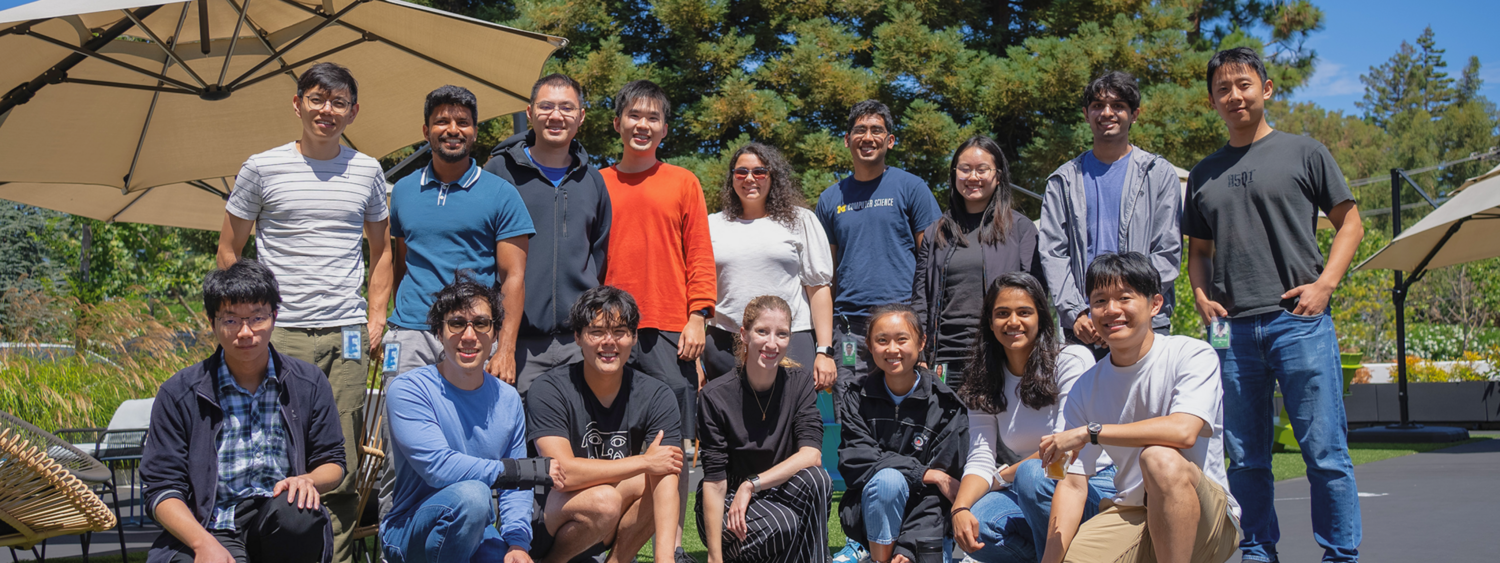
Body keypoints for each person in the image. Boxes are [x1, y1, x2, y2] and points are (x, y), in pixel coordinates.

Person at [1184, 47, 1364, 563]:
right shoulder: (1204, 173)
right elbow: (1199, 251)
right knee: (1244, 458)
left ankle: (1341, 556)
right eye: (1223, 89)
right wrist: (1200, 295)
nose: (1234, 95)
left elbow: (1350, 221)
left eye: (1243, 85)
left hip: (1299, 323)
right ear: (1213, 101)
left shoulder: (1305, 152)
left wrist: (1325, 285)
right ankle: (1258, 552)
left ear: (1266, 89)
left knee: (1325, 453)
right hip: (1232, 333)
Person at [215, 62, 391, 561]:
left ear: (352, 111)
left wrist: (375, 318)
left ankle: (329, 555)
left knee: (344, 459)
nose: (327, 110)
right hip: (280, 332)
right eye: (317, 99)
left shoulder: (367, 170)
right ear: (298, 104)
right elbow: (230, 251)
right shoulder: (261, 167)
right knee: (275, 448)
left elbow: (381, 252)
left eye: (338, 102)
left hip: (347, 330)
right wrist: (245, 321)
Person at [1037, 252, 1241, 563]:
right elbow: (1073, 484)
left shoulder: (1191, 354)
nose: (1112, 310)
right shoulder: (1087, 385)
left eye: (1124, 298)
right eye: (1100, 301)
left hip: (1206, 517)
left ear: (1155, 304)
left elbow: (1184, 432)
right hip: (1132, 511)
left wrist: (1092, 433)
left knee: (1159, 457)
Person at [142, 260, 346, 563]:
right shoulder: (179, 393)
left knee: (299, 512)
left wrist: (308, 480)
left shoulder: (308, 383)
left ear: (274, 318)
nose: (246, 332)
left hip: (278, 519)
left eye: (257, 318)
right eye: (231, 320)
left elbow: (333, 461)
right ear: (212, 322)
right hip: (208, 523)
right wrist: (201, 544)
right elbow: (161, 486)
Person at [382, 276, 560, 563]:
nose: (469, 335)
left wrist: (517, 543)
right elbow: (439, 467)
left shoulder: (508, 399)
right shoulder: (409, 389)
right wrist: (515, 470)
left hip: (476, 530)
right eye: (456, 323)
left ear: (495, 333)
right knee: (475, 497)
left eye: (480, 323)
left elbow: (516, 486)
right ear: (438, 333)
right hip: (408, 531)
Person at [947, 272, 1114, 563]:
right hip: (1031, 488)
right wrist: (959, 509)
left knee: (1032, 474)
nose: (1013, 322)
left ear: (1041, 317)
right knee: (981, 522)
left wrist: (1001, 477)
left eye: (1024, 312)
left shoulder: (1071, 361)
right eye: (1002, 314)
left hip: (1091, 481)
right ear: (989, 322)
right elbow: (981, 456)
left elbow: (1062, 452)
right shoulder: (982, 378)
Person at [526, 286, 688, 563]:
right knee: (606, 499)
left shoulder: (657, 394)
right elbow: (562, 473)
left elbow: (666, 472)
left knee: (663, 476)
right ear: (577, 336)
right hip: (552, 516)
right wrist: (644, 463)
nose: (609, 342)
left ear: (634, 337)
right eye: (596, 332)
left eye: (620, 332)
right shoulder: (549, 388)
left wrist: (665, 558)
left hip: (609, 521)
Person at [385, 85, 535, 380]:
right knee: (402, 422)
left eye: (463, 123)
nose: (452, 130)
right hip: (410, 334)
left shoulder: (502, 194)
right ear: (426, 130)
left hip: (472, 334)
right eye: (442, 122)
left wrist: (505, 349)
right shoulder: (402, 190)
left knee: (469, 425)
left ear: (475, 132)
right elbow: (401, 263)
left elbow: (513, 278)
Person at [599, 79, 715, 445]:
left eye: (653, 118)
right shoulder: (596, 183)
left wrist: (698, 318)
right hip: (608, 324)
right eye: (634, 116)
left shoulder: (683, 182)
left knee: (669, 438)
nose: (643, 125)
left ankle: (669, 505)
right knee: (610, 433)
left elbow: (699, 253)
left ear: (664, 129)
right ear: (617, 123)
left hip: (667, 327)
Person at [483, 73, 612, 396]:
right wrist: (499, 338)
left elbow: (598, 255)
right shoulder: (499, 173)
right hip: (515, 343)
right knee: (518, 440)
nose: (556, 116)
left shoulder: (593, 181)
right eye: (546, 107)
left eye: (566, 108)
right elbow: (481, 253)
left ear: (581, 117)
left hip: (577, 343)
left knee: (575, 439)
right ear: (530, 113)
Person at [1039, 71, 1181, 357]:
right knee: (1085, 403)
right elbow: (1053, 253)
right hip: (1083, 329)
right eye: (1097, 105)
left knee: (1146, 403)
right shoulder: (1063, 181)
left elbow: (1167, 250)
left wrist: (1127, 310)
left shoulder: (1158, 174)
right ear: (1086, 113)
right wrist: (1078, 312)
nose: (1107, 113)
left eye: (1118, 106)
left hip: (1145, 324)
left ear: (1134, 114)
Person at [815, 100, 943, 392]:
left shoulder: (912, 188)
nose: (868, 137)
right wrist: (823, 344)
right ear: (848, 140)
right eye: (860, 130)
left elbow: (934, 263)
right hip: (849, 329)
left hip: (902, 326)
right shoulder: (830, 199)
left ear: (890, 140)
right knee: (852, 413)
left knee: (907, 413)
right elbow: (826, 274)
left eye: (876, 130)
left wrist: (925, 331)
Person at [697, 295, 834, 563]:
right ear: (744, 335)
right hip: (728, 501)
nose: (772, 343)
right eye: (762, 331)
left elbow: (812, 455)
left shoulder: (800, 382)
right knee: (782, 523)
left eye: (781, 334)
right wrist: (714, 557)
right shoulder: (715, 395)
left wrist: (753, 484)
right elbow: (714, 482)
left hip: (771, 489)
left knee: (817, 480)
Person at [836, 303, 968, 563]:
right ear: (869, 344)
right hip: (870, 514)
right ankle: (877, 556)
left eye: (902, 339)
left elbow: (944, 489)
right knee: (888, 482)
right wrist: (926, 474)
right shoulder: (855, 396)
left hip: (928, 521)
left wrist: (907, 549)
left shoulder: (947, 406)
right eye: (882, 340)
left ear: (921, 343)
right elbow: (855, 460)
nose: (892, 349)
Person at [704, 142, 836, 389]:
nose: (750, 178)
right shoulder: (712, 225)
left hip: (791, 340)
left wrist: (824, 350)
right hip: (724, 342)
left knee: (793, 421)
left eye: (759, 172)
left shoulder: (801, 220)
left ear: (772, 176)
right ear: (732, 178)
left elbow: (818, 288)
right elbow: (699, 288)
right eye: (741, 172)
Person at [913, 136, 1042, 387]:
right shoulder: (936, 232)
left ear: (998, 175)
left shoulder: (1020, 229)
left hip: (1001, 353)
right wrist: (919, 352)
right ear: (954, 174)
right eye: (965, 169)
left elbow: (1035, 297)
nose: (973, 177)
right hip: (944, 355)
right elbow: (920, 298)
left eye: (982, 169)